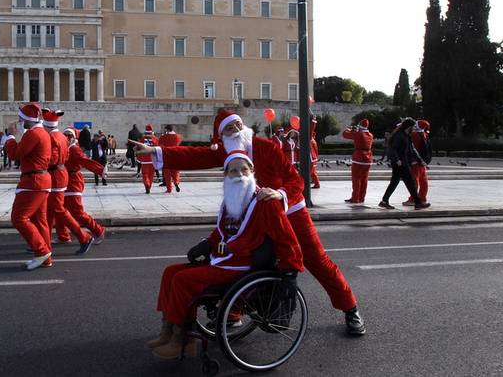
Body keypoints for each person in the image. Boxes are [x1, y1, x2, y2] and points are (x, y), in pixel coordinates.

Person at [133, 109, 366, 335]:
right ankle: (232, 313)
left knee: (317, 259)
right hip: (254, 216)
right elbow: (193, 155)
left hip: (291, 212)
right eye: (227, 129)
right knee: (245, 260)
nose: (234, 130)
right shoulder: (226, 152)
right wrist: (154, 150)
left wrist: (280, 194)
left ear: (244, 127)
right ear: (221, 136)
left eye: (237, 125)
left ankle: (350, 308)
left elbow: (296, 181)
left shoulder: (267, 147)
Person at [148, 154, 304, 359]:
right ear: (226, 175)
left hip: (241, 264)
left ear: (252, 172)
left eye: (244, 170)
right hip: (223, 259)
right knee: (170, 272)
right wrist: (206, 244)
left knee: (182, 280)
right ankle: (167, 330)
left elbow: (286, 238)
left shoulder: (265, 202)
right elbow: (222, 232)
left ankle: (182, 339)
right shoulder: (230, 200)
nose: (239, 175)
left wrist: (290, 270)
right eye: (233, 171)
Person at [5, 104, 53, 271]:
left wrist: (10, 137)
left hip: (33, 181)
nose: (19, 121)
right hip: (41, 180)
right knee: (40, 221)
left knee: (19, 217)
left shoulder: (33, 134)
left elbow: (15, 154)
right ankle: (45, 257)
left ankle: (42, 251)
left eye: (21, 119)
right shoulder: (42, 133)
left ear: (27, 120)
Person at [42, 109, 95, 254]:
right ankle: (44, 242)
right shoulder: (59, 136)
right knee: (50, 210)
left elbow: (53, 158)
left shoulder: (54, 138)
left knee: (60, 210)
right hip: (58, 176)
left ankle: (84, 236)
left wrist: (39, 162)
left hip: (57, 176)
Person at [56, 127, 107, 244]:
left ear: (75, 138)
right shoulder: (62, 148)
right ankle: (63, 236)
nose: (67, 137)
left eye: (70, 136)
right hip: (62, 181)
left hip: (73, 181)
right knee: (59, 210)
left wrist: (100, 170)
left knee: (77, 212)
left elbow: (86, 161)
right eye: (65, 135)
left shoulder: (74, 149)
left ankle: (99, 230)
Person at [379, 118, 430, 210]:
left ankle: (384, 201)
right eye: (413, 126)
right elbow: (393, 148)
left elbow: (413, 150)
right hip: (400, 163)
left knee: (395, 183)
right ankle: (418, 203)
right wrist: (397, 160)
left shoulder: (407, 136)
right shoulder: (399, 136)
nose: (414, 128)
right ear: (409, 127)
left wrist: (420, 160)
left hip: (404, 162)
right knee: (410, 183)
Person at [342, 119, 373, 204]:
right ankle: (361, 197)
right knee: (364, 179)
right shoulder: (370, 135)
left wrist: (348, 129)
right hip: (368, 159)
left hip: (359, 158)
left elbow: (344, 134)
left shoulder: (359, 134)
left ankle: (355, 198)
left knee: (356, 179)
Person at [405, 120, 432, 206]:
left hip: (415, 161)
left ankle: (413, 199)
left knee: (414, 181)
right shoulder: (425, 135)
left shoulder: (414, 135)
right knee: (423, 180)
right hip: (423, 161)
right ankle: (422, 198)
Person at [158, 125, 182, 193]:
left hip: (167, 156)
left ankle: (169, 189)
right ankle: (176, 182)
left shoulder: (164, 137)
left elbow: (159, 144)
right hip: (176, 155)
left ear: (167, 129)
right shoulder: (178, 136)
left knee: (167, 173)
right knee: (176, 171)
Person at [138, 125, 159, 194]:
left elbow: (139, 149)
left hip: (144, 160)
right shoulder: (156, 139)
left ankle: (146, 185)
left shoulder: (142, 139)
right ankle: (149, 186)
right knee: (151, 174)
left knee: (145, 174)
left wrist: (139, 159)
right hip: (153, 160)